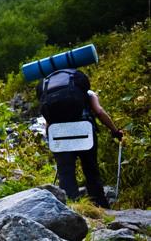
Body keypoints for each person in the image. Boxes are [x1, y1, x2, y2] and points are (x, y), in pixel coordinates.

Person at [37, 68, 123, 208]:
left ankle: (71, 207)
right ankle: (100, 206)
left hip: (59, 134)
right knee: (91, 170)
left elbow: (48, 121)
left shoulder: (48, 92)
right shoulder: (88, 94)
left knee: (65, 172)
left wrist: (51, 141)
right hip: (84, 133)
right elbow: (99, 112)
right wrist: (115, 131)